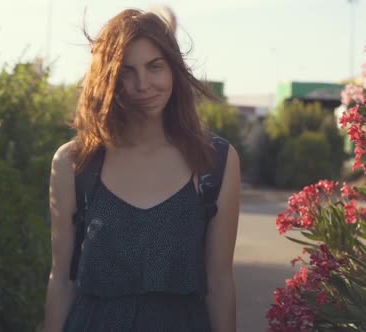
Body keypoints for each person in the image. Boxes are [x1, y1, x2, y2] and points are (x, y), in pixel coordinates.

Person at [44, 8, 240, 332]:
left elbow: (220, 285)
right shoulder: (74, 163)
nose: (143, 85)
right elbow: (61, 281)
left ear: (174, 70)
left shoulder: (215, 161)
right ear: (106, 78)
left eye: (155, 67)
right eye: (126, 71)